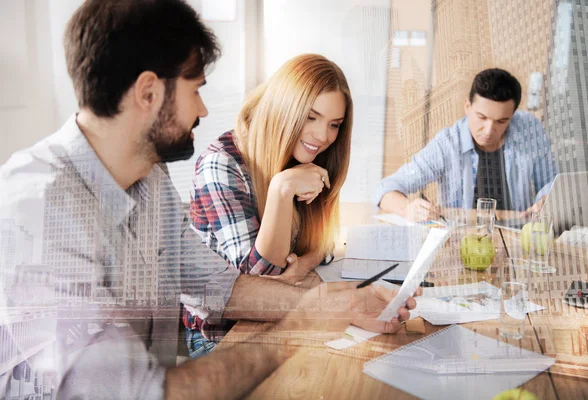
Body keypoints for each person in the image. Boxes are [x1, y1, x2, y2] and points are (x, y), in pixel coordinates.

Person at [0, 1, 417, 398]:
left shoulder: (151, 177)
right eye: (196, 89)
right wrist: (299, 325)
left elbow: (214, 285)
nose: (202, 109)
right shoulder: (38, 208)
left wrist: (333, 302)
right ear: (148, 93)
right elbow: (139, 394)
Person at [184, 54, 352, 355]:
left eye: (334, 124)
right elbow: (255, 283)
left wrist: (300, 265)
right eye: (311, 117)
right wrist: (281, 189)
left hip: (285, 315)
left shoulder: (307, 157)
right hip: (222, 337)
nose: (322, 136)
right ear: (284, 108)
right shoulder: (221, 164)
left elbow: (324, 244)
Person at [375, 68, 558, 222]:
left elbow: (551, 181)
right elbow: (385, 190)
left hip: (518, 239)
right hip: (463, 243)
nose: (488, 130)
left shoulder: (528, 128)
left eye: (501, 121)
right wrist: (407, 209)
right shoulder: (446, 145)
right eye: (482, 117)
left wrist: (546, 200)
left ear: (513, 115)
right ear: (467, 106)